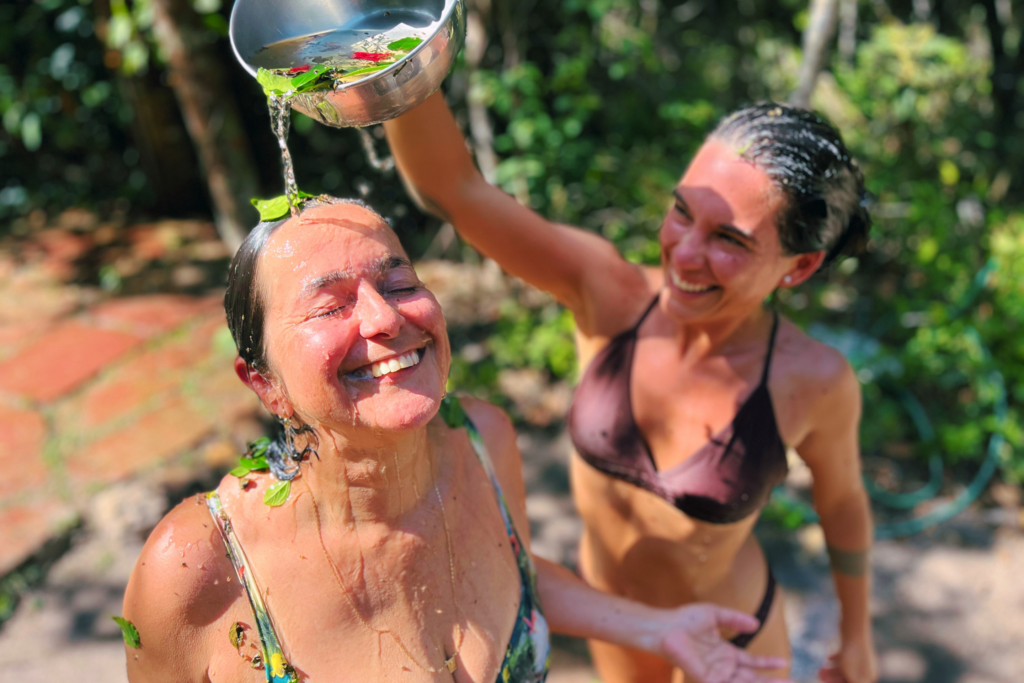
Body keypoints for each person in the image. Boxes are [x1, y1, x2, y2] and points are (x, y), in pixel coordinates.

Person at [120, 198, 794, 683]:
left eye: (400, 282)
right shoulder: (197, 571)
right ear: (265, 383)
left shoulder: (480, 439)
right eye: (331, 306)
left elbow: (516, 572)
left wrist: (655, 627)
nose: (386, 317)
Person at [383, 98, 878, 683]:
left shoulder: (814, 381)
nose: (684, 254)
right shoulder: (607, 293)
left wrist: (856, 635)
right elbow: (452, 188)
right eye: (681, 211)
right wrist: (392, 58)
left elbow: (842, 503)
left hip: (733, 641)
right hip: (615, 620)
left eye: (730, 240)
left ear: (799, 267)